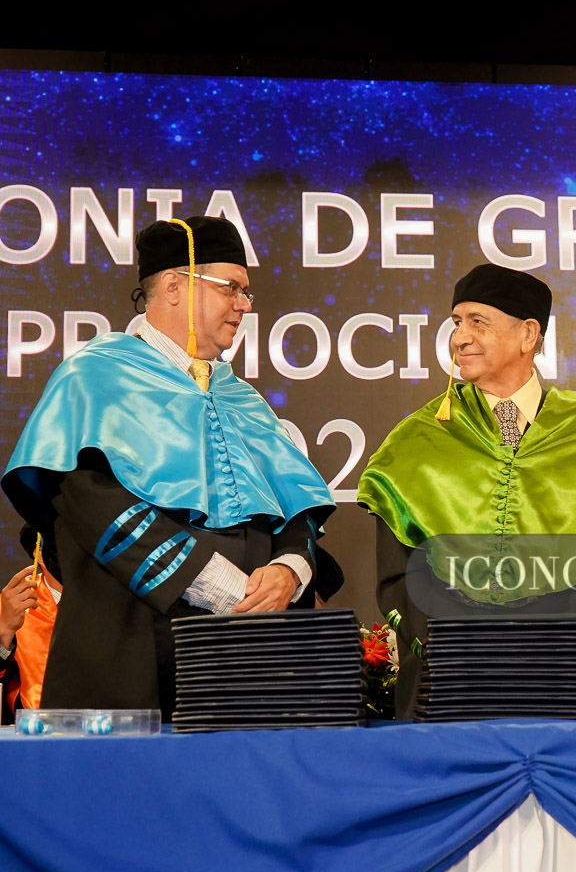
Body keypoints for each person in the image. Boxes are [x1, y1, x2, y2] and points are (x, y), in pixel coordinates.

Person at [2, 216, 336, 716]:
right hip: (130, 658)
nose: (245, 305)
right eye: (231, 288)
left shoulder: (244, 400)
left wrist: (290, 569)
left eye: (246, 292)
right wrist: (221, 584)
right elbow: (92, 505)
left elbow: (296, 507)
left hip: (247, 664)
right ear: (176, 286)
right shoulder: (94, 379)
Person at [358, 263, 576, 716]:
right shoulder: (420, 437)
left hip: (562, 681)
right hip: (446, 684)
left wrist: (562, 642)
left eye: (478, 322)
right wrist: (458, 644)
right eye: (456, 322)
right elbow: (398, 574)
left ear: (528, 334)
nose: (460, 338)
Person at [0, 526, 62, 723]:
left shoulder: (109, 600)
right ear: (40, 554)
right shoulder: (12, 604)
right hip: (33, 729)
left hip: (102, 726)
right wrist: (4, 632)